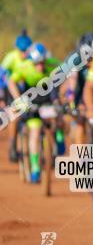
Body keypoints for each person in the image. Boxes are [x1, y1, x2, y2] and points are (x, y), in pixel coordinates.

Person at [6, 43, 60, 183]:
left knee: (60, 118)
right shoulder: (24, 67)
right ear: (32, 61)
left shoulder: (53, 64)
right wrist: (19, 100)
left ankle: (58, 140)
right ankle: (35, 167)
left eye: (42, 63)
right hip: (32, 102)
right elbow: (11, 81)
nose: (40, 66)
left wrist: (62, 98)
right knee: (35, 132)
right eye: (37, 63)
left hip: (48, 100)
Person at [2, 30, 32, 161]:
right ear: (17, 49)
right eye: (22, 50)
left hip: (28, 88)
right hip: (10, 89)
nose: (24, 53)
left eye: (26, 50)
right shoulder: (11, 57)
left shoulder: (32, 56)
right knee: (15, 116)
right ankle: (13, 146)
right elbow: (1, 75)